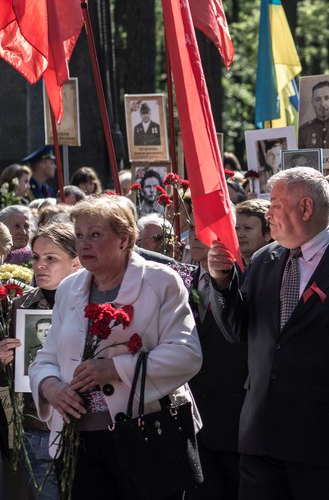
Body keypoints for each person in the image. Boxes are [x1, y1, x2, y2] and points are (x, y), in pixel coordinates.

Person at [207, 167, 329, 499]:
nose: (268, 213)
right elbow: (238, 330)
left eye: (276, 204)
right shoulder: (265, 259)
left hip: (325, 441)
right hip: (262, 437)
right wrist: (223, 283)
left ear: (306, 208)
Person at [29, 195, 202, 499]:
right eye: (79, 235)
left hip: (145, 436)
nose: (83, 244)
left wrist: (114, 369)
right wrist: (51, 387)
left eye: (95, 235)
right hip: (78, 441)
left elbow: (186, 355)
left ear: (124, 239)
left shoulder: (161, 282)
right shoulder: (70, 287)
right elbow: (46, 358)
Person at [0, 222, 80, 500]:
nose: (39, 266)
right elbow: (12, 381)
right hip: (37, 430)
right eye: (35, 257)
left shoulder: (94, 304)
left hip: (84, 429)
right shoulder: (20, 305)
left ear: (76, 262)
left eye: (51, 258)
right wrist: (3, 359)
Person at [186, 221, 248, 500]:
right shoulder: (178, 280)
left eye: (205, 228)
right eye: (190, 228)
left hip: (236, 421)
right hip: (193, 421)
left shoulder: (249, 276)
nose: (195, 236)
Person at [235, 199, 272, 266]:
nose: (239, 234)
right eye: (237, 228)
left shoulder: (280, 269)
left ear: (268, 234)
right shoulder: (228, 271)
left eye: (247, 228)